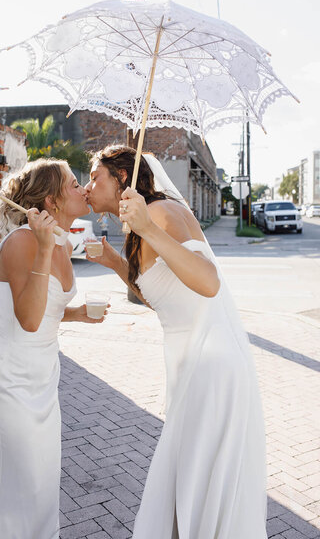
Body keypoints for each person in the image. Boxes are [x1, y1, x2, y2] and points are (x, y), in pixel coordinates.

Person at [84, 145, 268, 539]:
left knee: (196, 476)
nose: (87, 186)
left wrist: (147, 227)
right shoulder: (140, 220)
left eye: (94, 177)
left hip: (213, 363)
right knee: (190, 475)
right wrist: (117, 262)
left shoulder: (161, 213)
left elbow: (208, 282)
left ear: (121, 179)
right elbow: (163, 299)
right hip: (190, 363)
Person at [0, 158, 108, 539]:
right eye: (73, 184)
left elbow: (44, 312)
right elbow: (27, 321)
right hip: (8, 382)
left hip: (43, 380)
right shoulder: (24, 242)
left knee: (41, 490)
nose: (82, 189)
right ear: (52, 201)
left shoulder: (60, 240)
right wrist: (44, 249)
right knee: (16, 492)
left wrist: (76, 314)